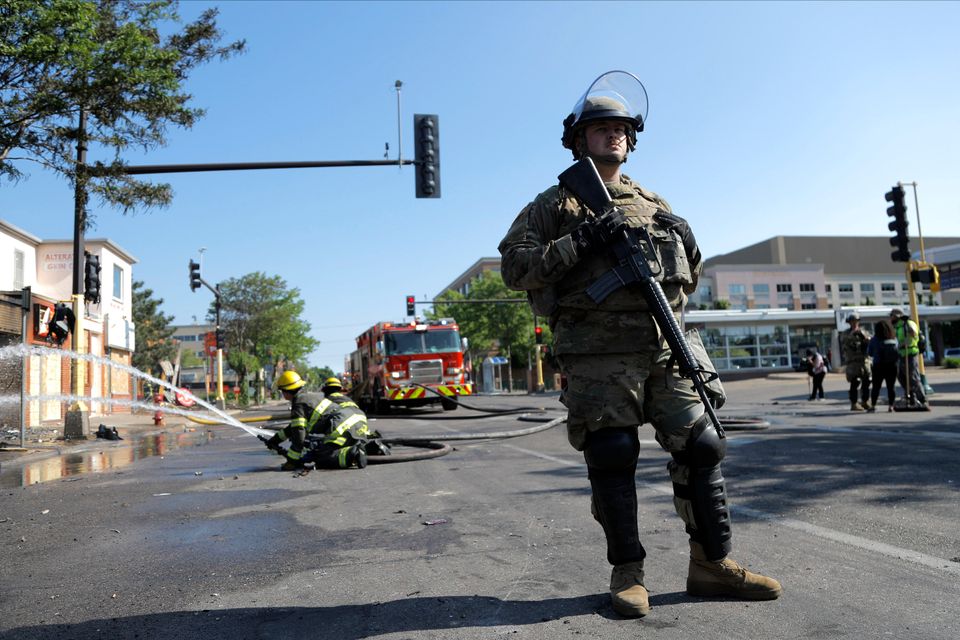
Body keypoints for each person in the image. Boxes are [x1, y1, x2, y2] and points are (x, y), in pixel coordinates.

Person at [497, 71, 781, 618]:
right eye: (602, 128)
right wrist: (580, 240)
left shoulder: (653, 202)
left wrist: (689, 244)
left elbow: (684, 280)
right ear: (579, 138)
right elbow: (516, 266)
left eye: (622, 128)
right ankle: (627, 573)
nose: (615, 136)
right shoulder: (554, 203)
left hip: (665, 349)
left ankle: (712, 565)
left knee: (702, 447)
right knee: (612, 454)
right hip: (599, 356)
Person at [261, 370, 369, 470]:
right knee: (323, 448)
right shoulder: (309, 397)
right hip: (355, 422)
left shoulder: (298, 403)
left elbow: (299, 432)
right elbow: (293, 428)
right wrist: (275, 440)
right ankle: (368, 449)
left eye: (282, 391)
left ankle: (353, 455)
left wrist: (292, 460)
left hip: (342, 425)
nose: (282, 394)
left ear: (287, 390)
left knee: (321, 457)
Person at [890, 308, 929, 409]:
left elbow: (914, 334)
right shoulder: (897, 327)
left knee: (913, 377)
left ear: (897, 316)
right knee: (902, 377)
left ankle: (922, 399)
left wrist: (908, 338)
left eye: (892, 316)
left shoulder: (908, 323)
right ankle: (911, 397)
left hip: (910, 353)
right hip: (902, 354)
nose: (891, 318)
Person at [841, 313, 872, 411]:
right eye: (852, 321)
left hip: (864, 360)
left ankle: (865, 401)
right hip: (853, 361)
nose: (854, 323)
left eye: (856, 321)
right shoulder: (846, 333)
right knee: (855, 382)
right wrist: (852, 335)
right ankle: (854, 403)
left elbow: (870, 341)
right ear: (849, 323)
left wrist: (865, 338)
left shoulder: (864, 332)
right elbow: (844, 342)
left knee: (867, 381)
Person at [866, 319, 899, 412]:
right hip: (892, 365)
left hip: (878, 365)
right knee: (891, 386)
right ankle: (891, 406)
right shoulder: (894, 338)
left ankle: (873, 405)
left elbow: (870, 353)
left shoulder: (874, 339)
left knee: (876, 386)